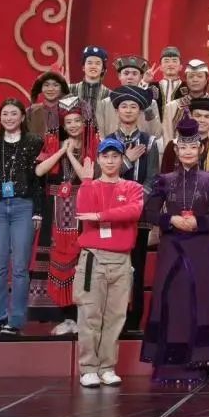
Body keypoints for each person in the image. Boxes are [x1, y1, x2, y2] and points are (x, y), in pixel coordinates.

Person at [140, 118, 209, 383]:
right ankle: (168, 363)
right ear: (176, 151)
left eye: (193, 147)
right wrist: (172, 220)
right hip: (171, 247)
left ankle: (198, 362)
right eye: (183, 148)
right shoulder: (164, 180)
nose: (188, 152)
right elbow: (149, 212)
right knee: (172, 300)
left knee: (199, 300)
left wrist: (199, 222)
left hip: (200, 246)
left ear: (201, 149)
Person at [74, 138, 144, 388]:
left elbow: (133, 212)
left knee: (115, 317)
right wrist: (86, 182)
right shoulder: (89, 186)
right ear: (99, 159)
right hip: (93, 257)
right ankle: (88, 368)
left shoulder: (133, 187)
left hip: (121, 259)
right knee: (90, 315)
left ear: (122, 159)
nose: (110, 161)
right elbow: (83, 211)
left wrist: (101, 215)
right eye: (105, 156)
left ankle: (107, 367)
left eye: (115, 156)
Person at [0, 98, 44, 335]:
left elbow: (39, 180)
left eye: (14, 113)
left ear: (22, 117)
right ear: (0, 118)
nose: (9, 118)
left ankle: (16, 322)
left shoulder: (34, 142)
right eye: (5, 114)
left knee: (20, 267)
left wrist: (38, 211)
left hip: (24, 206)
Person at [103, 84, 162, 334]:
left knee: (136, 268)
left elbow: (153, 179)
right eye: (124, 106)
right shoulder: (108, 142)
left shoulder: (150, 142)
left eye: (133, 106)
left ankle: (134, 320)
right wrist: (127, 160)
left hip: (139, 215)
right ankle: (111, 319)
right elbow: (105, 175)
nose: (128, 110)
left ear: (139, 112)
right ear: (117, 111)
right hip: (112, 215)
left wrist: (135, 204)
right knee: (112, 268)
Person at [30, 98, 90, 332]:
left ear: (84, 123)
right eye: (69, 122)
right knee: (56, 261)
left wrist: (72, 154)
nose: (73, 125)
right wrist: (62, 151)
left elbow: (86, 177)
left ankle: (78, 316)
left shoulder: (91, 146)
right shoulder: (53, 143)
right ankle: (63, 317)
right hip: (54, 208)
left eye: (77, 121)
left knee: (78, 261)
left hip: (81, 209)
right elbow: (39, 170)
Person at [95, 56, 163, 139]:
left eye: (135, 74)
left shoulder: (150, 103)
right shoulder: (105, 103)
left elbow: (156, 134)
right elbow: (101, 136)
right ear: (119, 76)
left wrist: (148, 110)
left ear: (141, 77)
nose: (130, 77)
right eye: (126, 73)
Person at [160, 96, 209, 174]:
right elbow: (164, 177)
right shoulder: (173, 145)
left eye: (207, 117)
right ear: (190, 117)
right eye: (198, 116)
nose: (202, 120)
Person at [68, 45, 111, 157]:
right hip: (73, 144)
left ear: (103, 69)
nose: (93, 66)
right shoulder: (70, 89)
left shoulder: (110, 95)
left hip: (100, 146)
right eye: (89, 63)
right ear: (83, 67)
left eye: (97, 63)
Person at [27, 70, 70, 164]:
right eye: (46, 85)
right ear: (41, 88)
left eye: (55, 85)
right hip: (36, 162)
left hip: (65, 161)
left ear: (61, 88)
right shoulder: (30, 112)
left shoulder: (70, 112)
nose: (50, 89)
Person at [154, 46, 186, 113]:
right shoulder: (153, 87)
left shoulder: (187, 87)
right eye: (166, 61)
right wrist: (144, 81)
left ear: (181, 67)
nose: (170, 64)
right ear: (160, 67)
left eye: (174, 61)